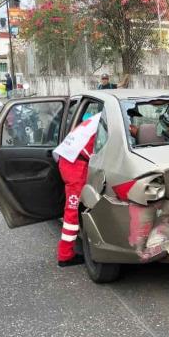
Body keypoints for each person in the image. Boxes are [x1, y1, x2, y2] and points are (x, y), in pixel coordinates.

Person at [53, 114, 99, 267]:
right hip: (75, 166)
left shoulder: (96, 119)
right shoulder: (107, 123)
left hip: (68, 158)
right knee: (72, 212)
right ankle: (65, 256)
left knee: (72, 209)